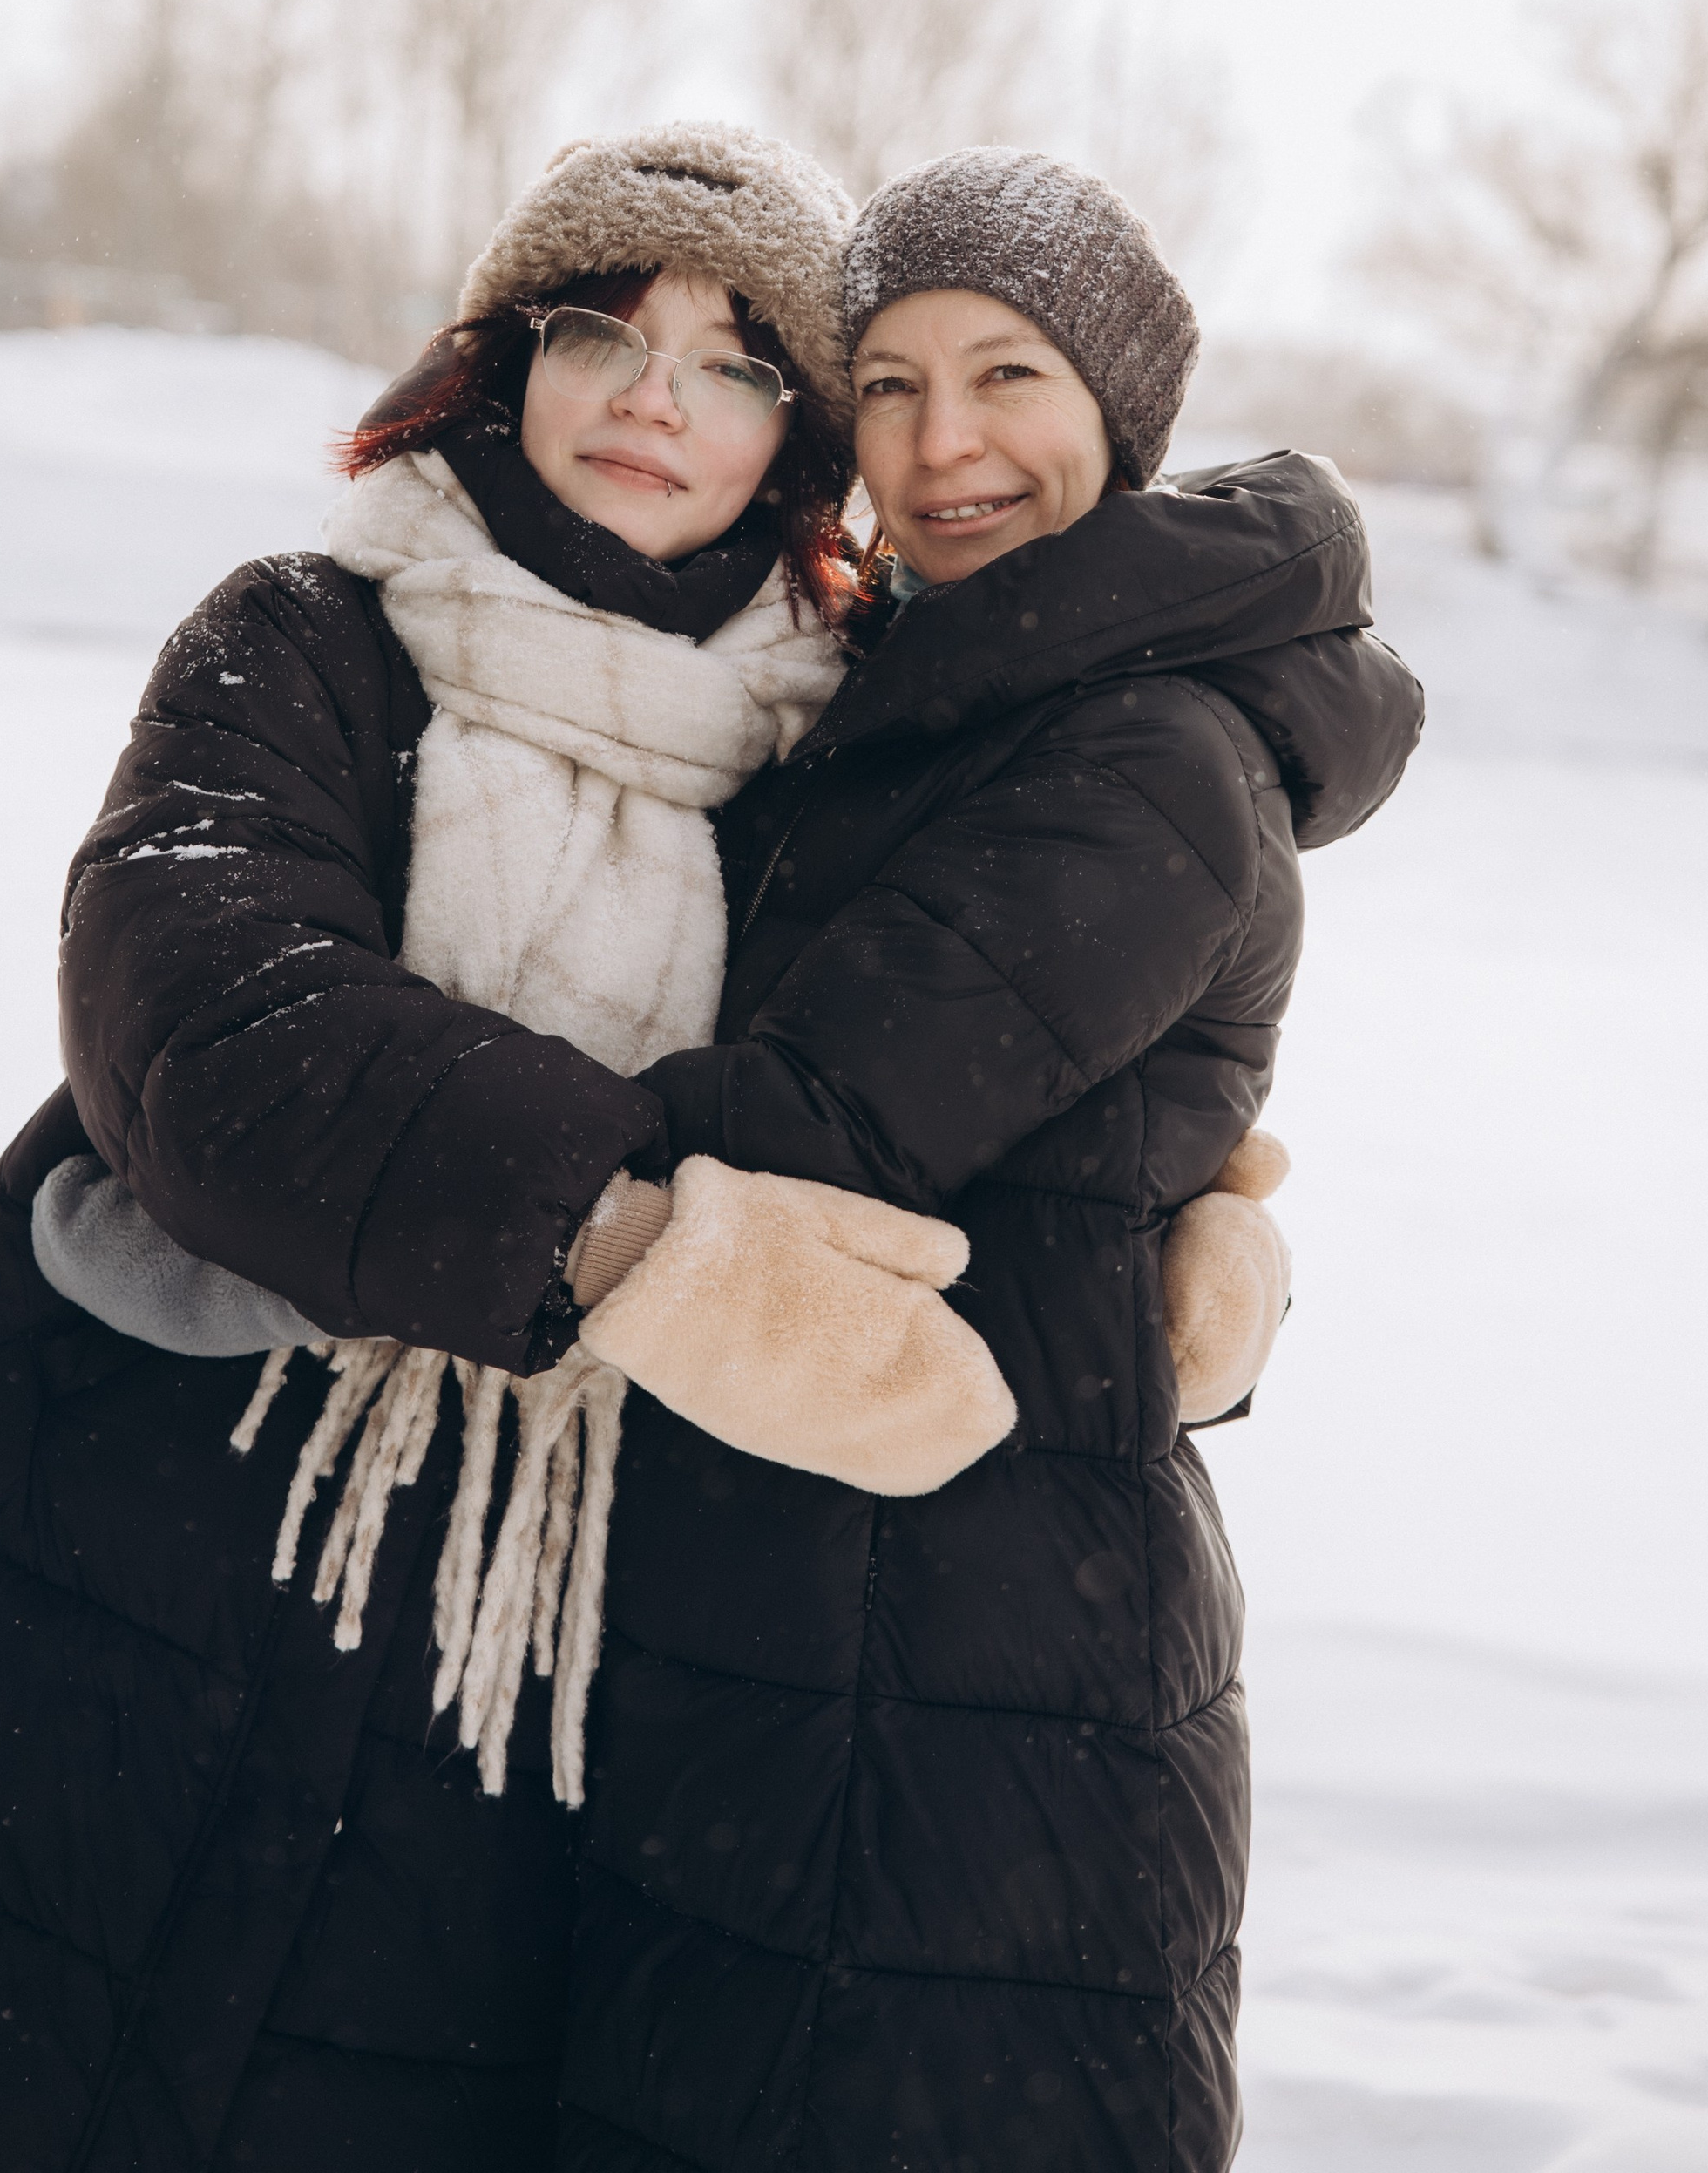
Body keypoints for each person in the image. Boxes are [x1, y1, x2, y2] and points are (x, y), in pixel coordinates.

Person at [0, 123, 918, 2173]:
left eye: (738, 359)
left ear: (802, 440)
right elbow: (206, 1016)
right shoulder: (307, 641)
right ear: (505, 363)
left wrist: (1190, 1233)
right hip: (122, 1574)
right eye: (607, 328)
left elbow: (949, 1072)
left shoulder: (832, 773)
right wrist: (614, 1236)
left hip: (537, 1677)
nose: (656, 395)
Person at [558, 147, 1425, 2173]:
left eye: (1006, 375)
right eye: (884, 384)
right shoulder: (937, 690)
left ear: (1115, 414)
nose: (941, 446)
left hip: (969, 1654)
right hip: (821, 1604)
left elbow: (819, 1125)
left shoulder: (1142, 751)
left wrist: (402, 1111)